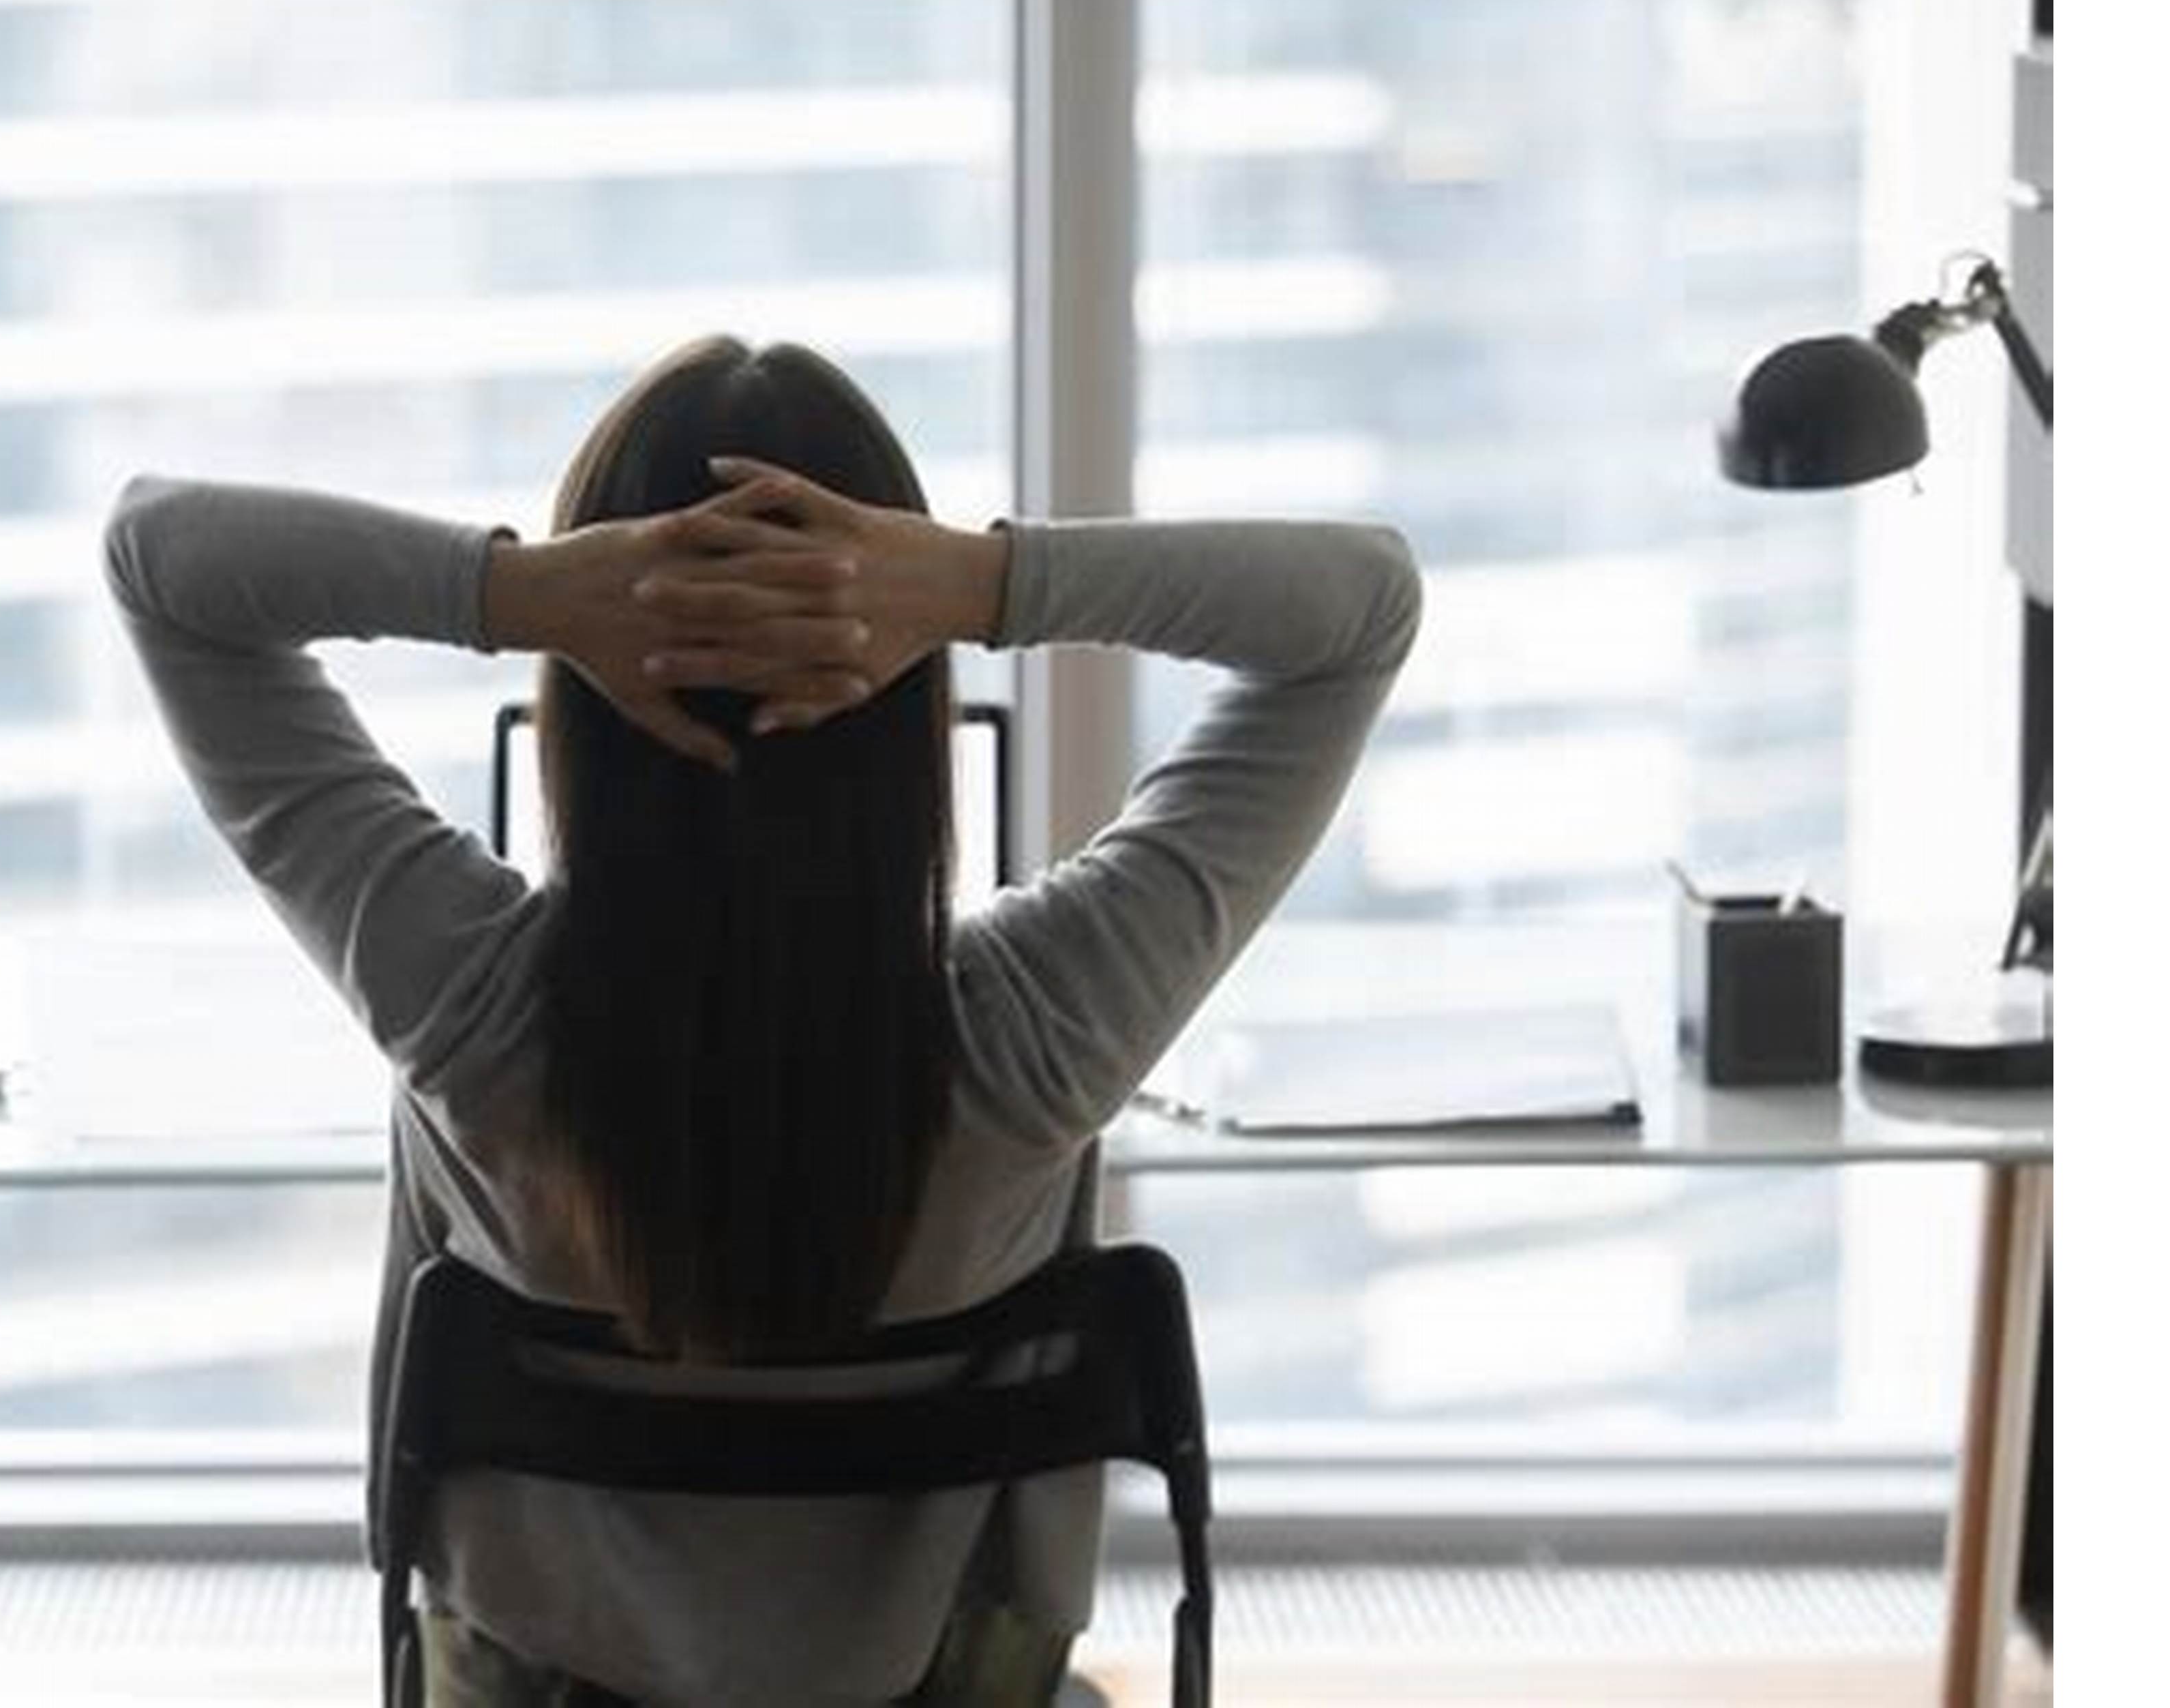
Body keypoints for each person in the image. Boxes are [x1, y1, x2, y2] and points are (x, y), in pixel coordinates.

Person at [104, 334, 1422, 1707]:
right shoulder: (1039, 1036)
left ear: (579, 700)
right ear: (908, 697)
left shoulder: (466, 1006)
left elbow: (159, 562)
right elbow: (1363, 611)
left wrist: (519, 593)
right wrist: (980, 583)